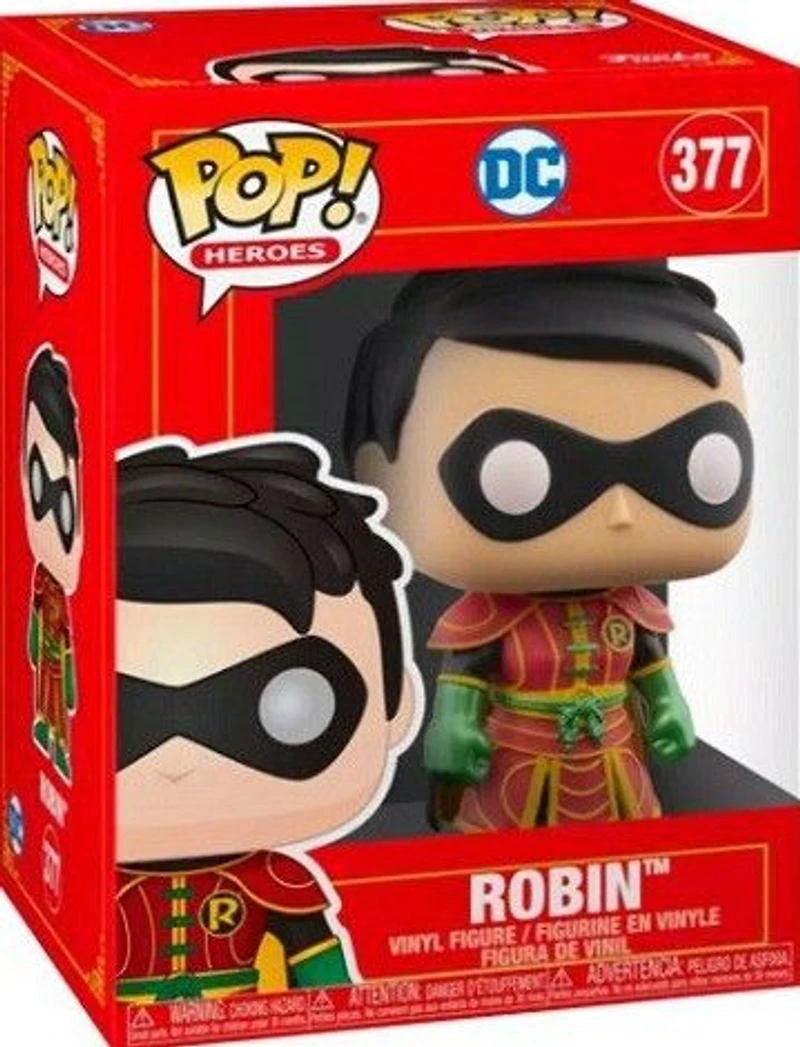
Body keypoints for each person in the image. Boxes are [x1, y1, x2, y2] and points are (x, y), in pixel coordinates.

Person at [346, 261, 752, 831]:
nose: (619, 513)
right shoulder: (488, 615)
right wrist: (454, 725)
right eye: (514, 472)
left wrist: (668, 704)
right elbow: (467, 673)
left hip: (614, 758)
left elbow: (650, 663)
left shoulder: (630, 607)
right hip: (519, 761)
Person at [115, 437, 419, 1000]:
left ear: (395, 707)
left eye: (294, 708)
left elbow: (325, 975)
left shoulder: (279, 883)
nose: (180, 761)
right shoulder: (95, 885)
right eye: (127, 714)